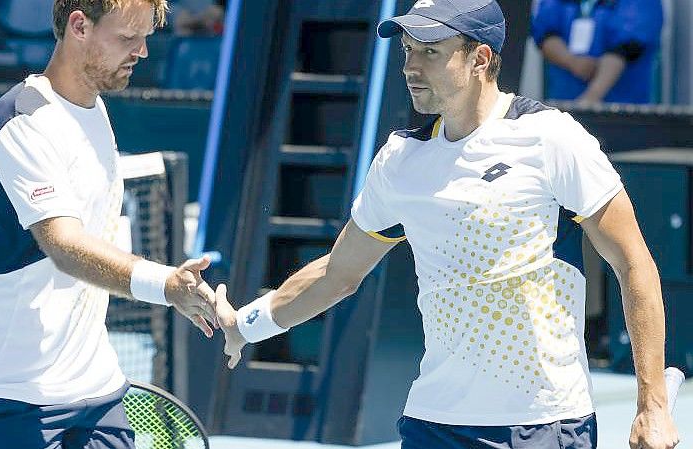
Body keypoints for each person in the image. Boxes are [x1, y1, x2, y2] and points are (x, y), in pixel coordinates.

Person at [214, 1, 679, 448]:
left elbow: (633, 263)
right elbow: (338, 272)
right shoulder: (400, 160)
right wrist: (246, 325)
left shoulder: (551, 138)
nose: (411, 67)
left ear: (479, 58)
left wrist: (652, 406)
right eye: (407, 52)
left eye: (430, 52)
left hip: (540, 425)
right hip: (432, 424)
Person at [0, 1, 217, 448]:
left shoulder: (94, 110)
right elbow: (64, 245)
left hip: (96, 384)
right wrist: (166, 285)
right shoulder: (25, 119)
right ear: (79, 26)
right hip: (12, 390)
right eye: (128, 38)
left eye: (146, 38)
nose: (143, 52)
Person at [531, 0, 664, 104]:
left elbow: (628, 47)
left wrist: (590, 99)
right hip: (562, 106)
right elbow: (544, 32)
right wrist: (571, 61)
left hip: (620, 115)